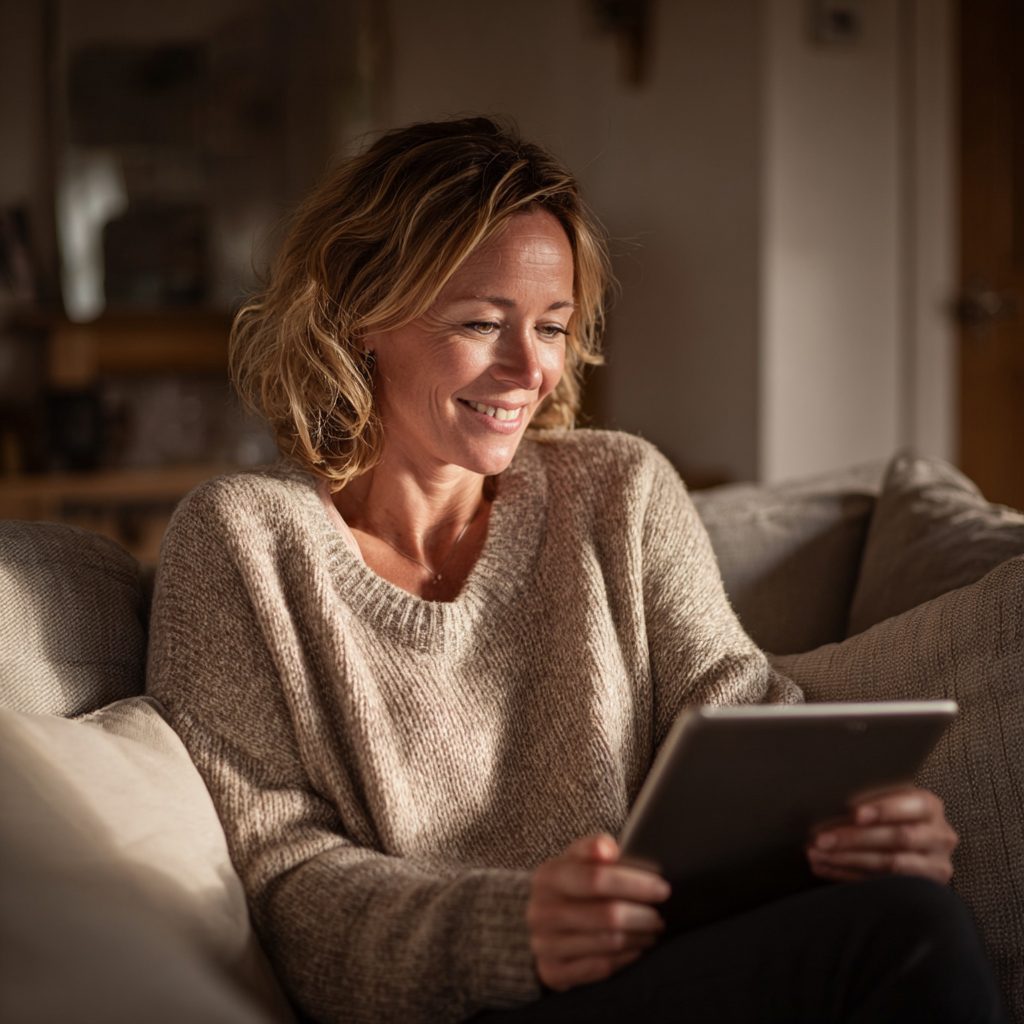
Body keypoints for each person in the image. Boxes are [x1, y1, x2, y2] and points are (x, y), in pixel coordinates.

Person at [146, 117, 1005, 1024]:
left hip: (664, 970)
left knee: (908, 910)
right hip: (457, 1004)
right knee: (903, 935)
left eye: (551, 327)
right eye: (481, 323)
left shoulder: (621, 489)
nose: (530, 371)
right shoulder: (242, 541)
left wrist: (863, 822)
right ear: (360, 319)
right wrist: (510, 933)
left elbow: (739, 710)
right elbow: (282, 882)